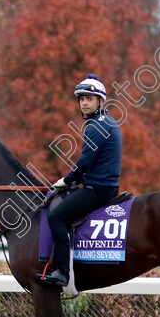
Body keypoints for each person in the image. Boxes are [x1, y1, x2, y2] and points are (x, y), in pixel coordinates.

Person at [40, 74, 122, 287]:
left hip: (99, 189)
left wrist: (66, 180)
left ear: (100, 101)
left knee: (56, 216)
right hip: (100, 184)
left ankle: (63, 272)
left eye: (89, 99)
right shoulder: (105, 121)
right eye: (81, 99)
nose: (84, 103)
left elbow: (85, 161)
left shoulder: (95, 126)